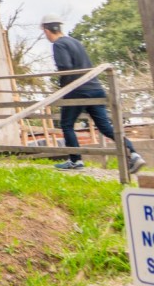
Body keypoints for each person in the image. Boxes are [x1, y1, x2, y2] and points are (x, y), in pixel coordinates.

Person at [41, 14, 145, 172]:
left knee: (67, 124)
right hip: (95, 89)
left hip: (77, 90)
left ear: (47, 30)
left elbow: (65, 69)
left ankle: (75, 160)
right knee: (105, 127)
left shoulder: (59, 45)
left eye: (44, 32)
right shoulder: (76, 42)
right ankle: (134, 154)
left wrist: (62, 90)